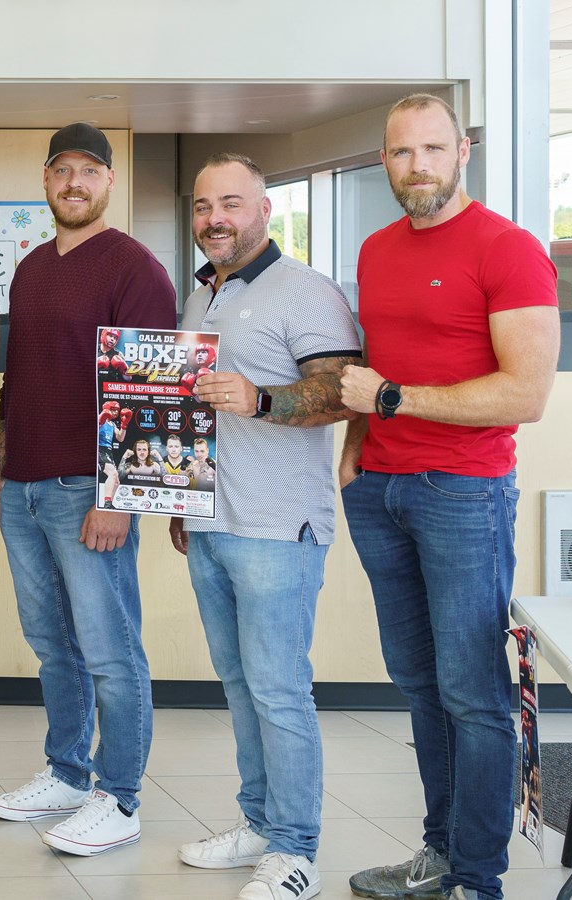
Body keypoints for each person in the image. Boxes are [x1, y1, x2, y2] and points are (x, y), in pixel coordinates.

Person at [338, 94, 559, 900]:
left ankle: (477, 877)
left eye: (433, 149)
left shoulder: (508, 249)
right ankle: (437, 851)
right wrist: (357, 452)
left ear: (461, 150)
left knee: (471, 692)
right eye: (401, 153)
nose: (417, 165)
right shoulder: (373, 249)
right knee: (419, 685)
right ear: (385, 160)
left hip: (462, 493)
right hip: (382, 493)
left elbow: (523, 395)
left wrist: (392, 401)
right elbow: (369, 363)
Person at [0, 123, 175, 856]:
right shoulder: (28, 268)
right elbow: (14, 383)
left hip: (87, 488)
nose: (74, 183)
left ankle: (118, 798)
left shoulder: (133, 267)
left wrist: (117, 499)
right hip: (25, 487)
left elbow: (151, 395)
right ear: (46, 180)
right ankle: (65, 772)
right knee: (51, 645)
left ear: (108, 182)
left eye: (89, 171)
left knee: (109, 650)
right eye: (62, 171)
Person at [168, 152, 362, 900]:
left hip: (278, 527)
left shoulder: (304, 289)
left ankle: (294, 848)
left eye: (230, 204)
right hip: (212, 521)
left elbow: (339, 392)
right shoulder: (202, 296)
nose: (214, 219)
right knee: (240, 684)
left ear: (263, 210)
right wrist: (179, 500)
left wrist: (257, 399)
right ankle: (257, 820)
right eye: (201, 206)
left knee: (278, 689)